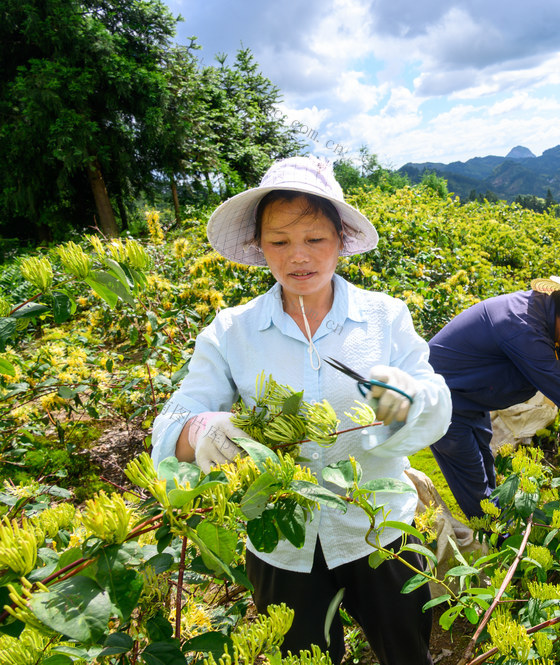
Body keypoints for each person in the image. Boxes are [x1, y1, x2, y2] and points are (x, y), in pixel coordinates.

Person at [150, 156, 451, 665]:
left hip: (379, 529)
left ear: (340, 240)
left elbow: (435, 403)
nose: (298, 257)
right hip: (282, 543)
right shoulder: (232, 331)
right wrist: (202, 429)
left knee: (406, 650)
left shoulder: (384, 317)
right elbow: (172, 423)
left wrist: (408, 399)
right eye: (280, 241)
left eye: (314, 239)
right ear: (260, 247)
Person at [427, 273, 560, 519]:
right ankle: (496, 546)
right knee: (477, 491)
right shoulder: (524, 328)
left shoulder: (556, 323)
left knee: (486, 472)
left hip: (473, 401)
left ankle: (497, 537)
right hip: (442, 402)